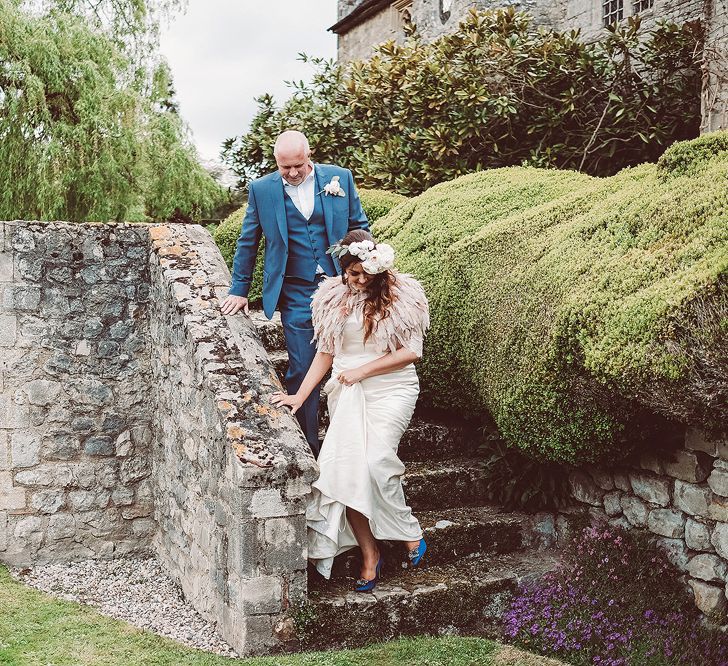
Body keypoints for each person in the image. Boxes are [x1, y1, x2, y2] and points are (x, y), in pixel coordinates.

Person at [271, 230, 429, 592]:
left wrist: (362, 371)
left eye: (365, 274)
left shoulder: (404, 295)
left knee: (376, 463)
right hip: (346, 390)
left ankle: (408, 530)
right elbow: (325, 352)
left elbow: (411, 352)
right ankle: (370, 554)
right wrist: (299, 395)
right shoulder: (330, 299)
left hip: (391, 388)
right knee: (346, 473)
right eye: (352, 274)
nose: (359, 281)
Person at [220, 131, 369, 457]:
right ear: (276, 162)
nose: (292, 173)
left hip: (340, 285)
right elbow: (249, 240)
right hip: (296, 290)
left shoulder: (339, 178)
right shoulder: (262, 190)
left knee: (352, 359)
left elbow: (360, 225)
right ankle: (309, 449)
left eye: (298, 165)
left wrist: (365, 273)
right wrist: (239, 289)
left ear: (309, 155)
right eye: (285, 167)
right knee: (302, 366)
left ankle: (353, 445)